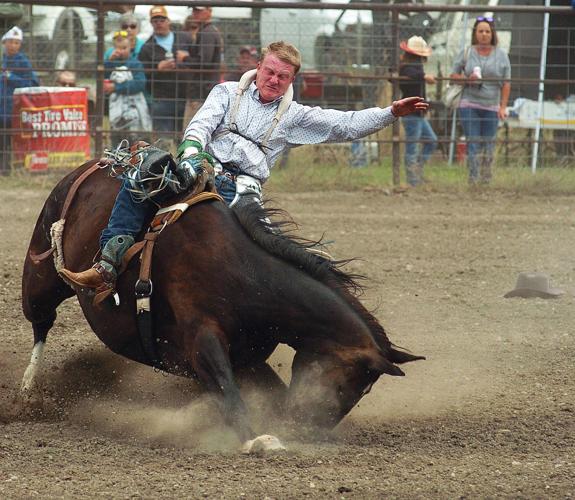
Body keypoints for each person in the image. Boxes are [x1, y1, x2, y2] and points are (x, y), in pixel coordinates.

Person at [60, 41, 428, 292]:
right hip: (201, 168)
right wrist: (190, 157)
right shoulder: (226, 93)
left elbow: (343, 124)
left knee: (269, 249)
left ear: (291, 80)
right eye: (270, 71)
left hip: (245, 190)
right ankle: (109, 260)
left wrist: (390, 112)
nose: (274, 80)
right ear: (259, 66)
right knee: (143, 173)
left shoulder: (296, 116)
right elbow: (200, 126)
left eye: (282, 77)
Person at [450, 16, 511, 185]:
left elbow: (506, 82)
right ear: (475, 34)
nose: (484, 34)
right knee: (473, 141)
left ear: (492, 34)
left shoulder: (502, 55)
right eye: (480, 31)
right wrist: (466, 79)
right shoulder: (466, 52)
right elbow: (453, 75)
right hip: (469, 103)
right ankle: (473, 177)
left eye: (487, 31)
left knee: (489, 143)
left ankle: (486, 177)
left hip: (492, 105)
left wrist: (503, 106)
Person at [138, 5, 188, 148]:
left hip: (184, 96)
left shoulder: (183, 39)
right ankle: (163, 168)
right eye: (155, 20)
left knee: (184, 138)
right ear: (151, 23)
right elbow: (142, 72)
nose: (158, 23)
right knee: (163, 141)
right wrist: (157, 68)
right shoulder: (147, 46)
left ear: (168, 21)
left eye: (161, 19)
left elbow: (196, 61)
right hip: (161, 98)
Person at [398, 36, 437, 186]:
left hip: (417, 113)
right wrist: (424, 76)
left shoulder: (410, 66)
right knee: (412, 147)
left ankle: (416, 171)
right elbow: (411, 74)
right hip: (411, 113)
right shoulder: (408, 68)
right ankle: (412, 180)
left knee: (431, 141)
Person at [176, 6, 223, 127]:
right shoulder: (209, 30)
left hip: (201, 92)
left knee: (191, 132)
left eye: (198, 10)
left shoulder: (206, 32)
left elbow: (204, 63)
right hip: (205, 90)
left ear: (209, 11)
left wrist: (184, 58)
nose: (195, 13)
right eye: (194, 10)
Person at [0, 26, 38, 175]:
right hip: (1, 106)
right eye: (10, 42)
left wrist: (10, 77)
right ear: (4, 43)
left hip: (12, 108)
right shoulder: (3, 59)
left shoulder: (22, 62)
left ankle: (6, 169)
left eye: (16, 43)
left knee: (7, 140)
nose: (13, 45)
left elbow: (31, 83)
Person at [105, 30, 151, 147]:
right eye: (118, 48)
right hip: (117, 108)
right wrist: (109, 62)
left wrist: (116, 87)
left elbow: (140, 83)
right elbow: (104, 77)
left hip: (133, 108)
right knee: (117, 137)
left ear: (131, 47)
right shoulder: (112, 63)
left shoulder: (135, 64)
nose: (121, 51)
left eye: (124, 48)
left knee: (134, 139)